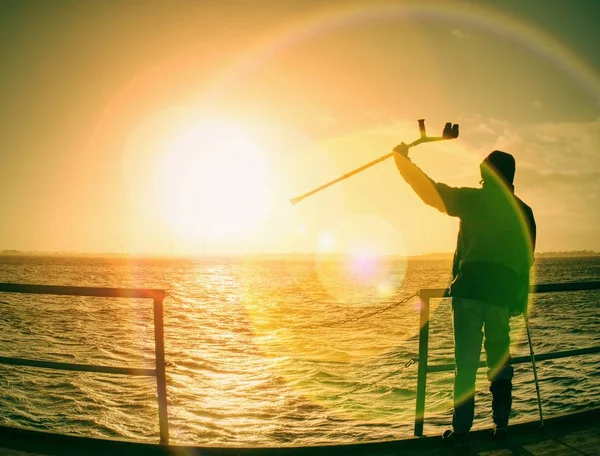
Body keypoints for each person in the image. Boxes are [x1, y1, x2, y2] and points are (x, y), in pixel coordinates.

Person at [392, 142, 536, 448]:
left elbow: (431, 192)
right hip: (501, 297)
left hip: (469, 292)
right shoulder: (525, 212)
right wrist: (518, 299)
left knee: (466, 365)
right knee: (500, 363)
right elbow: (527, 260)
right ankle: (501, 424)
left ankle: (461, 430)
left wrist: (402, 161)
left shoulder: (474, 201)